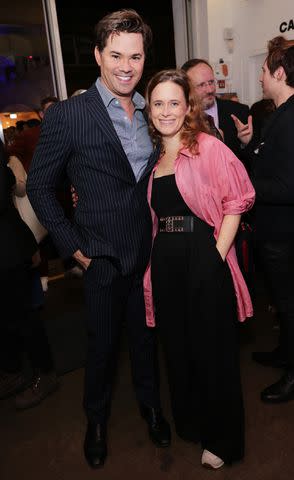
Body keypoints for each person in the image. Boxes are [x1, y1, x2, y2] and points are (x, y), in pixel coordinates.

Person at [27, 9, 170, 469]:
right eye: (116, 55)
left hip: (148, 253)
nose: (126, 66)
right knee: (102, 347)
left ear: (145, 59)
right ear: (97, 55)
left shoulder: (154, 112)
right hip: (101, 260)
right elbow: (38, 186)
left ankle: (151, 408)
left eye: (135, 56)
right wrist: (72, 247)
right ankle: (97, 421)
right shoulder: (69, 115)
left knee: (147, 342)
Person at [143, 69, 255, 468]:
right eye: (158, 103)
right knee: (179, 350)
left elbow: (237, 201)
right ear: (149, 109)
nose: (166, 111)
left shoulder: (208, 147)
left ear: (188, 106)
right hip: (166, 262)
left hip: (204, 255)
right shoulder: (156, 160)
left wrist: (214, 256)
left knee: (214, 353)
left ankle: (224, 440)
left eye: (174, 102)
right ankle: (193, 422)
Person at [232, 35, 294, 403]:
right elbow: (270, 163)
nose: (259, 78)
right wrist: (248, 143)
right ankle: (284, 354)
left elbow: (287, 186)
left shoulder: (290, 119)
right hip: (276, 233)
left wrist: (242, 187)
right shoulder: (279, 115)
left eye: (263, 71)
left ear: (280, 73)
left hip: (285, 234)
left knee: (290, 305)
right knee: (284, 303)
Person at [0, 140, 58, 407]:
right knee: (8, 318)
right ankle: (12, 371)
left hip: (9, 250)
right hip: (11, 245)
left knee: (24, 317)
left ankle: (44, 374)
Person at [181, 58, 249, 161]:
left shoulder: (239, 111)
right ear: (187, 89)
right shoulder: (180, 119)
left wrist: (245, 144)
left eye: (211, 82)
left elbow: (252, 163)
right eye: (201, 85)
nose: (210, 89)